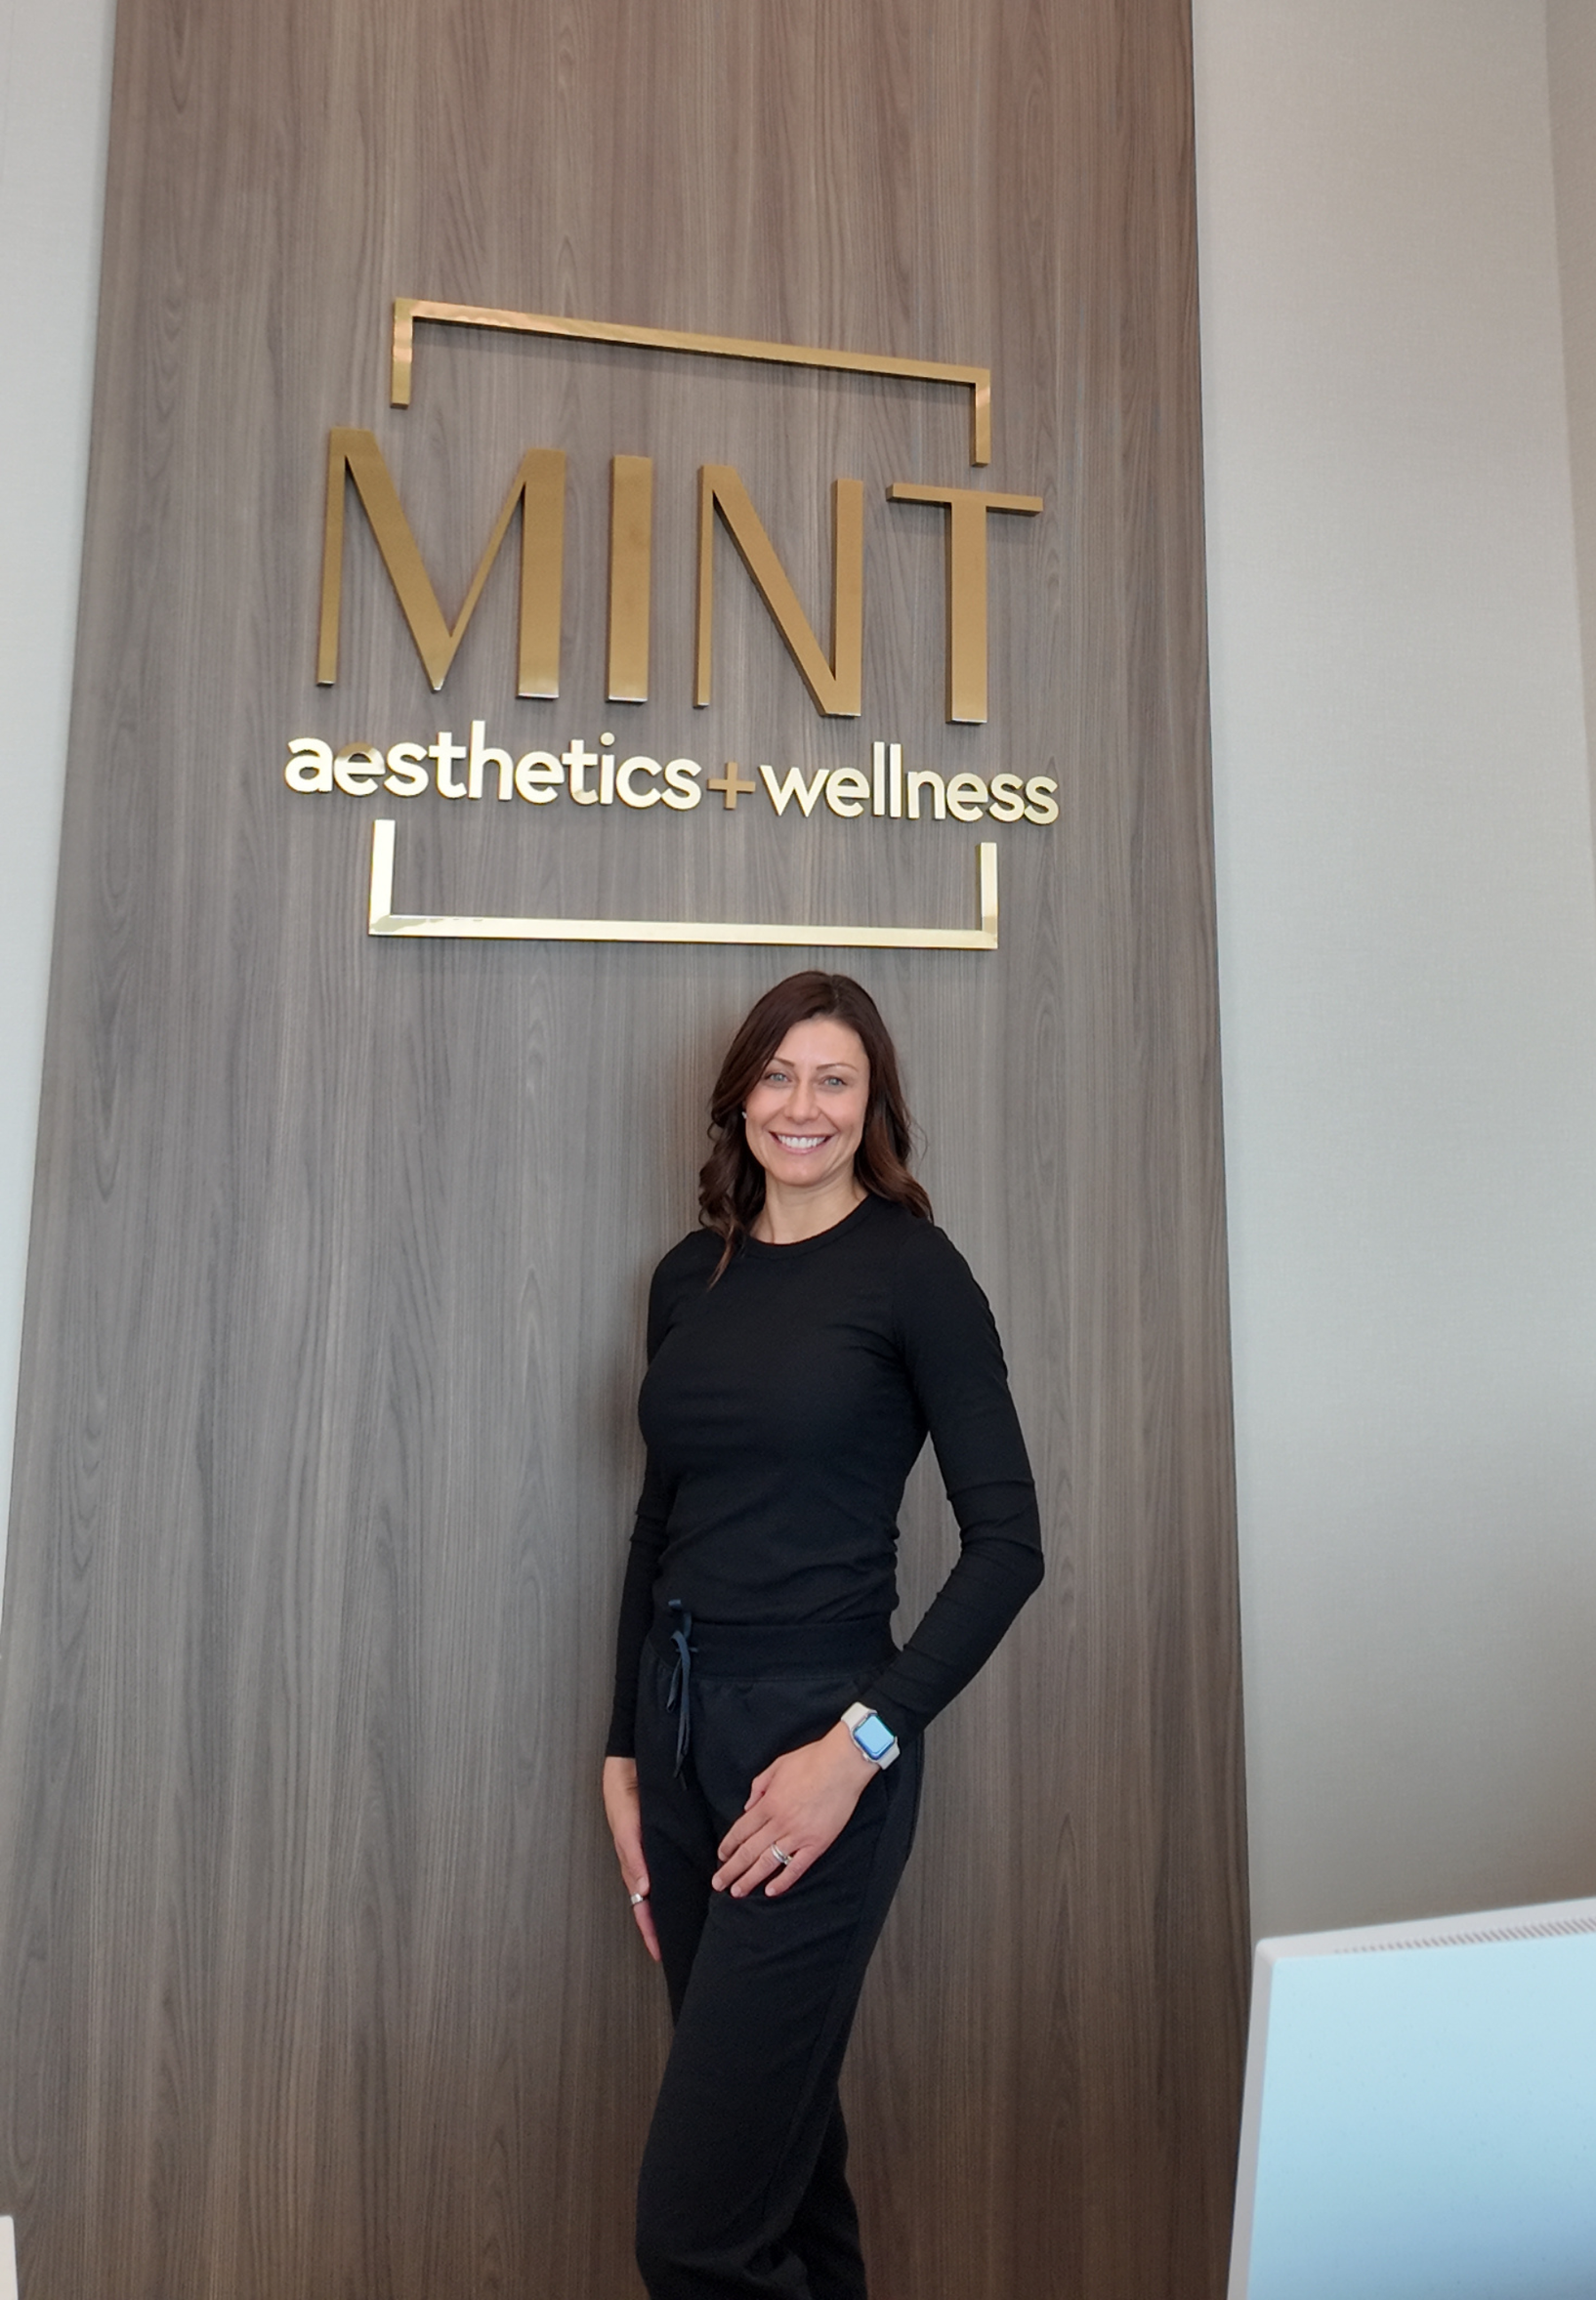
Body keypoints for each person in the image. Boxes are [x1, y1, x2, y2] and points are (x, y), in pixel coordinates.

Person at [602, 970, 1043, 2300]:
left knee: (695, 2233)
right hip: (678, 1733)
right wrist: (621, 1752)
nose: (802, 1105)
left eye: (833, 1079)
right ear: (738, 1095)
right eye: (778, 1075)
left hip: (813, 1739)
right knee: (780, 2171)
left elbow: (1009, 1545)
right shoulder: (690, 1277)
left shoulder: (912, 1271)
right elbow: (654, 1523)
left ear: (872, 1105)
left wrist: (853, 1749)